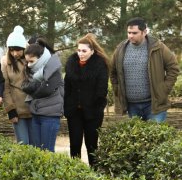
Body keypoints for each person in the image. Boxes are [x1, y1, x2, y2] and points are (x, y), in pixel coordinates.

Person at [111, 17, 179, 123]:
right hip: (132, 106)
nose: (130, 36)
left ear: (144, 32)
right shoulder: (120, 49)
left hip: (154, 105)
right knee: (136, 139)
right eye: (129, 33)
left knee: (155, 138)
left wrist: (163, 89)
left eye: (134, 33)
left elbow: (173, 68)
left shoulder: (158, 47)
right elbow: (113, 72)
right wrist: (117, 90)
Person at [64, 33, 109, 166]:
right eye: (78, 50)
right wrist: (67, 105)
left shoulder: (100, 65)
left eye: (84, 51)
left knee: (92, 145)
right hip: (74, 111)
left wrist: (97, 107)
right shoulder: (71, 63)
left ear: (92, 51)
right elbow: (67, 86)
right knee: (75, 144)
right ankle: (75, 172)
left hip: (93, 111)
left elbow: (102, 89)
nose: (80, 53)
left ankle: (94, 174)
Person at [21, 38, 64, 152]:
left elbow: (46, 90)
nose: (29, 65)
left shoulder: (54, 69)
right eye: (27, 61)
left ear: (41, 58)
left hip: (50, 115)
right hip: (36, 113)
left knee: (47, 151)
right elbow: (24, 86)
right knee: (37, 150)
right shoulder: (32, 70)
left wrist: (33, 88)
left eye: (31, 61)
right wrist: (36, 86)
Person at [1, 26, 32, 144]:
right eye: (12, 50)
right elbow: (5, 88)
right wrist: (10, 110)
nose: (15, 53)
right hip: (18, 110)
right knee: (23, 144)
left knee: (37, 145)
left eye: (18, 50)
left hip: (34, 109)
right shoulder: (4, 62)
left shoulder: (32, 59)